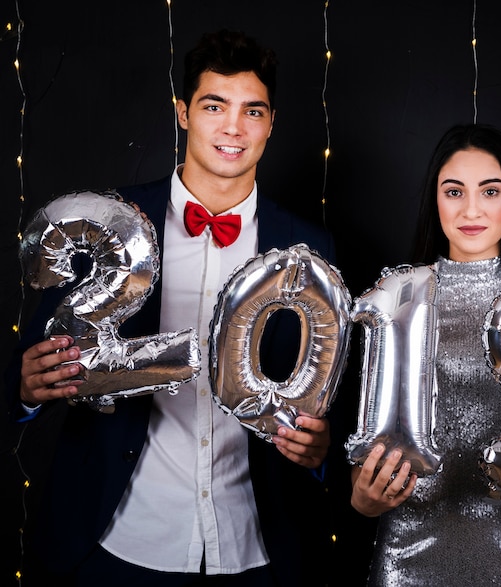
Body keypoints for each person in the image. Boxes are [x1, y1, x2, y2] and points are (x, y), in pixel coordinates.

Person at [5, 29, 339, 587]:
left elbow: (330, 398)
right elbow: (28, 364)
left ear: (271, 122)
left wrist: (320, 446)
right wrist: (25, 388)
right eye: (214, 106)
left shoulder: (311, 246)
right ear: (183, 113)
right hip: (117, 538)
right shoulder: (109, 224)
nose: (233, 127)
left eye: (252, 111)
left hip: (254, 547)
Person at [349, 123, 501, 586]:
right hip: (411, 560)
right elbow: (372, 446)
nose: (470, 209)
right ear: (434, 199)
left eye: (489, 191)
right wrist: (364, 499)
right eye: (453, 191)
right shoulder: (399, 300)